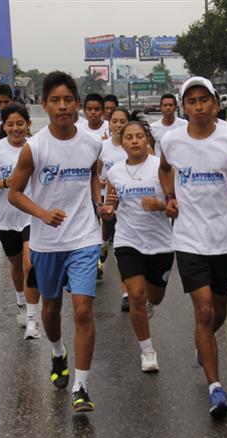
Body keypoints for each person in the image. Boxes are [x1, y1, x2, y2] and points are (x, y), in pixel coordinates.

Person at [158, 76, 227, 418]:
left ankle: (205, 342)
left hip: (225, 238)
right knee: (203, 312)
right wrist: (170, 197)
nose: (198, 107)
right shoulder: (171, 140)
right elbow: (165, 169)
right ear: (184, 107)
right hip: (188, 238)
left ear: (215, 104)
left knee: (218, 313)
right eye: (192, 101)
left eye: (204, 100)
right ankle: (216, 388)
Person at [9, 71, 105, 413]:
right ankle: (58, 353)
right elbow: (14, 194)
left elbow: (93, 175)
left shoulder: (93, 144)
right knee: (50, 309)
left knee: (82, 310)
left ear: (77, 104)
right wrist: (42, 213)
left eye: (68, 100)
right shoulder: (34, 149)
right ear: (44, 104)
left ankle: (81, 387)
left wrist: (98, 203)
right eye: (55, 100)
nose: (63, 106)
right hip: (47, 242)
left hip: (84, 237)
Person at [103, 120, 174, 373]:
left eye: (139, 136)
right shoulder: (114, 173)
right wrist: (107, 211)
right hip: (128, 240)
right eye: (129, 137)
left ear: (147, 140)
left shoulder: (162, 169)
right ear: (122, 144)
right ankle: (147, 351)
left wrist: (161, 206)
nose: (134, 141)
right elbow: (110, 208)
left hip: (161, 243)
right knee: (135, 296)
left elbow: (178, 206)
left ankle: (151, 303)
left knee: (155, 296)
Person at [0, 103, 41, 339]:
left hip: (31, 215)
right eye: (10, 124)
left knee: (29, 264)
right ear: (4, 126)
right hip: (6, 218)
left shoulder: (36, 147)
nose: (16, 129)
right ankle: (21, 303)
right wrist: (6, 182)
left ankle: (33, 319)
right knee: (16, 265)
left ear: (28, 125)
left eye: (20, 124)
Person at [97, 107, 130, 311]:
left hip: (129, 205)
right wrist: (101, 185)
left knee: (121, 247)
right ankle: (99, 258)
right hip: (106, 203)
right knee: (105, 236)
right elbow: (97, 173)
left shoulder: (135, 144)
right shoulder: (102, 146)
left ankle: (126, 293)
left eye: (122, 121)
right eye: (115, 121)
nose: (118, 125)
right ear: (109, 123)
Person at [150, 94, 187, 159]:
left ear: (175, 107)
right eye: (165, 105)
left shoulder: (184, 124)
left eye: (170, 105)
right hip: (160, 165)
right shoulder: (153, 127)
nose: (168, 108)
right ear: (161, 108)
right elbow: (151, 147)